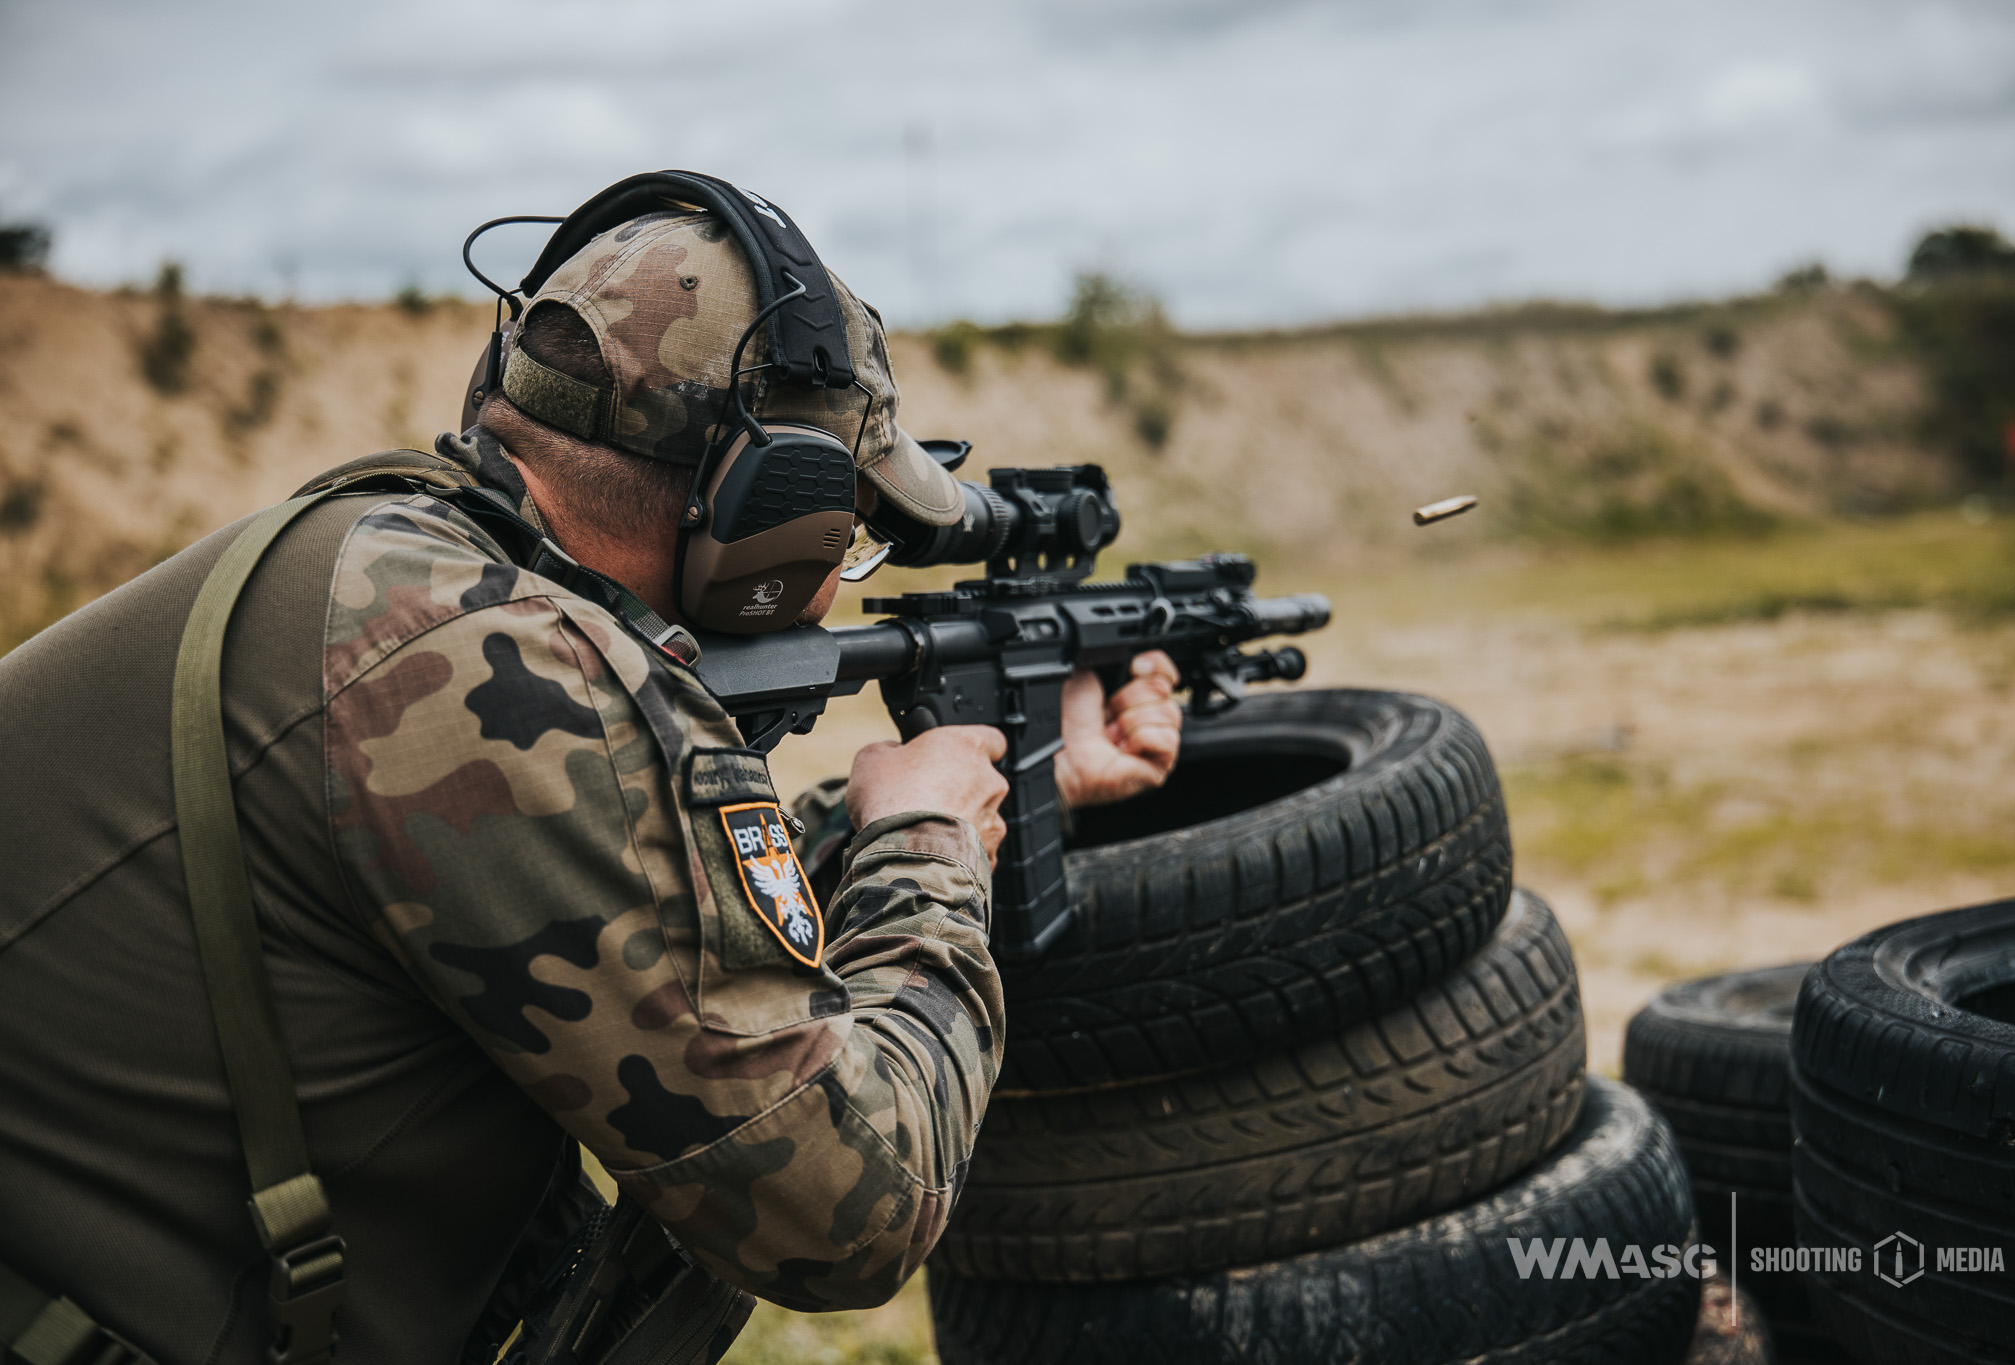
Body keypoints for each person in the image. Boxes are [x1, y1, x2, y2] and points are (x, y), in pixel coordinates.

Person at [0, 186, 1182, 1364]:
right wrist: (930, 849)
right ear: (770, 507)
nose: (839, 577)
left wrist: (967, 795)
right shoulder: (490, 669)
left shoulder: (389, 573)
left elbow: (617, 931)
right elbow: (842, 1210)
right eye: (849, 531)